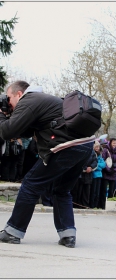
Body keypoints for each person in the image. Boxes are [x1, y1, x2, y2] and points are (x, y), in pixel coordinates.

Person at [0, 80, 100, 248]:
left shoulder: (29, 100)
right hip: (85, 146)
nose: (7, 102)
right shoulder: (42, 100)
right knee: (62, 190)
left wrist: (1, 114)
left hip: (65, 147)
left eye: (8, 98)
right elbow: (22, 131)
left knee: (30, 184)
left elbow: (6, 131)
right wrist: (8, 114)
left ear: (19, 94)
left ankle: (13, 232)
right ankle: (68, 235)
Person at [98, 138, 116, 209]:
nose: (114, 144)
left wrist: (115, 169)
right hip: (106, 173)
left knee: (111, 190)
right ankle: (102, 205)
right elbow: (103, 160)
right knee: (103, 190)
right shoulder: (105, 150)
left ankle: (110, 206)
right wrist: (108, 170)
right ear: (110, 143)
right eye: (113, 143)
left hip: (114, 173)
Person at [89, 140, 106, 209]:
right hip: (93, 175)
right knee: (93, 191)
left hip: (99, 175)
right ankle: (92, 205)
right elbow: (93, 164)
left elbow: (104, 165)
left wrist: (97, 166)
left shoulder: (100, 155)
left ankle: (96, 205)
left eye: (98, 147)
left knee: (97, 192)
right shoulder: (92, 154)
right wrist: (97, 166)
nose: (97, 148)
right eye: (96, 147)